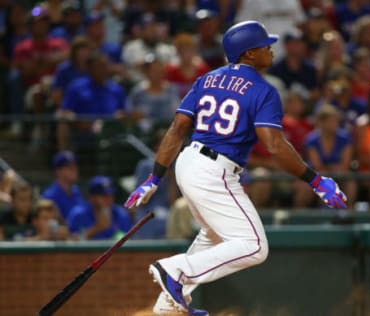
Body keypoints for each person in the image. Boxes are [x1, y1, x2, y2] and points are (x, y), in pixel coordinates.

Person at [124, 21, 347, 315]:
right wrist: (316, 180)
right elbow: (274, 145)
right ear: (248, 54)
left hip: (188, 162)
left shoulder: (206, 79)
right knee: (254, 246)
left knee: (213, 236)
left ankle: (169, 306)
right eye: (264, 45)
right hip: (215, 169)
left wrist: (155, 177)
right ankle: (176, 269)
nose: (270, 48)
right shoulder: (262, 89)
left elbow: (178, 129)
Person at [67, 175, 132, 240]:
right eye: (103, 195)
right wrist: (97, 228)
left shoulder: (121, 214)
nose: (109, 199)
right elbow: (69, 241)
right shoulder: (78, 215)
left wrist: (112, 229)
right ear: (92, 197)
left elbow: (128, 243)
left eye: (111, 195)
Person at [41, 151, 85, 220]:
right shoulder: (50, 196)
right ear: (58, 171)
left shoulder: (76, 190)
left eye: (75, 166)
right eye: (70, 167)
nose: (75, 169)